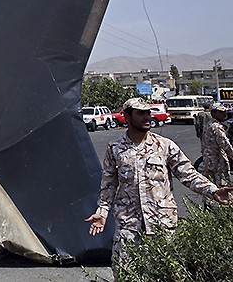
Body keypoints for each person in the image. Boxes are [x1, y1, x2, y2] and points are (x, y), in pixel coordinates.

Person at [85, 97, 232, 276]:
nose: (147, 117)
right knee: (125, 274)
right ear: (127, 117)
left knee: (165, 274)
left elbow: (188, 174)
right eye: (140, 113)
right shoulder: (115, 148)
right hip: (129, 225)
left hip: (162, 224)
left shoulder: (164, 145)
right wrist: (102, 212)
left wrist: (213, 190)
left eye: (148, 113)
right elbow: (108, 183)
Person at [201, 102, 233, 187]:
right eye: (221, 112)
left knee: (209, 187)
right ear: (214, 113)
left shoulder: (208, 125)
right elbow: (225, 144)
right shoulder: (216, 127)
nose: (224, 114)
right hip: (218, 162)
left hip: (208, 161)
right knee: (223, 186)